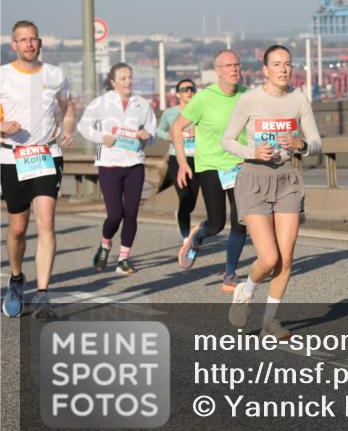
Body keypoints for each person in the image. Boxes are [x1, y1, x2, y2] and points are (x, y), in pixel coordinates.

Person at [225, 45, 321, 338]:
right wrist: (251, 150)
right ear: (265, 70)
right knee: (268, 258)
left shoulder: (298, 99)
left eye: (288, 64)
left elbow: (317, 143)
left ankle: (270, 322)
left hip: (287, 180)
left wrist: (300, 145)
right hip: (254, 179)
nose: (283, 69)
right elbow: (227, 140)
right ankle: (247, 289)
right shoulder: (249, 99)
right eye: (277, 64)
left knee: (286, 258)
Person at [0, 21, 75, 319]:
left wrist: (68, 128)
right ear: (13, 45)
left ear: (40, 43)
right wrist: (2, 125)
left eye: (34, 39)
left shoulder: (55, 74)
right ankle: (17, 279)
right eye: (23, 40)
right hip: (12, 158)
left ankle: (44, 293)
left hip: (46, 155)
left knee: (47, 222)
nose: (29, 44)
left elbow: (68, 107)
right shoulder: (2, 76)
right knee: (18, 228)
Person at [170, 49, 248, 292]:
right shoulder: (203, 98)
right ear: (217, 71)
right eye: (228, 66)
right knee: (217, 225)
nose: (234, 69)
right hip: (211, 167)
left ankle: (230, 274)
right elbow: (176, 128)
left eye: (237, 65)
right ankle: (199, 235)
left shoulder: (248, 96)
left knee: (240, 221)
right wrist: (183, 163)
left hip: (240, 165)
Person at [78, 63, 157, 274]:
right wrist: (101, 138)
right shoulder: (101, 103)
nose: (128, 82)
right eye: (122, 78)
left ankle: (123, 259)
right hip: (110, 164)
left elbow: (152, 132)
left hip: (134, 164)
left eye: (130, 77)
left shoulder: (142, 104)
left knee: (131, 213)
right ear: (113, 82)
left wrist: (148, 136)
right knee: (115, 215)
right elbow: (83, 126)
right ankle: (105, 244)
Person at [156, 79, 201, 239]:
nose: (189, 92)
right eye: (184, 89)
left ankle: (181, 215)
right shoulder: (170, 113)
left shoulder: (200, 111)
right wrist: (170, 135)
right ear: (177, 94)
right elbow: (158, 130)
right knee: (184, 196)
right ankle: (186, 237)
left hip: (197, 158)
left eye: (192, 89)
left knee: (192, 201)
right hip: (177, 158)